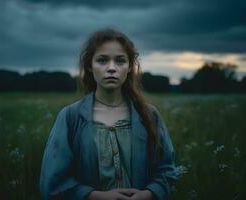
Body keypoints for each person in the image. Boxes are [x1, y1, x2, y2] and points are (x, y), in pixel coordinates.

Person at [40, 28, 180, 200]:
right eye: (102, 60)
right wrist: (96, 196)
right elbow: (53, 182)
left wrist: (148, 194)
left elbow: (167, 170)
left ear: (130, 67)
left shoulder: (148, 115)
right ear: (90, 66)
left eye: (120, 61)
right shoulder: (71, 117)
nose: (111, 68)